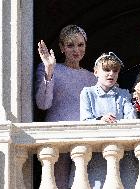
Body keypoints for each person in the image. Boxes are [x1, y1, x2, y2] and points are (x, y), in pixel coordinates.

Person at [35, 25, 97, 189]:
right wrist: (49, 70)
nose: (76, 50)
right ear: (62, 47)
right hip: (58, 138)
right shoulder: (51, 68)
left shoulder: (92, 78)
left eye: (80, 45)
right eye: (70, 45)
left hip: (85, 138)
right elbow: (43, 104)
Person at [68, 52, 137, 189]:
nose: (111, 74)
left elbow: (131, 119)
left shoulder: (123, 94)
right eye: (106, 70)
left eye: (115, 70)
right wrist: (100, 120)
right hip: (97, 152)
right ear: (96, 72)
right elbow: (85, 120)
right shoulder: (88, 92)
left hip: (121, 150)